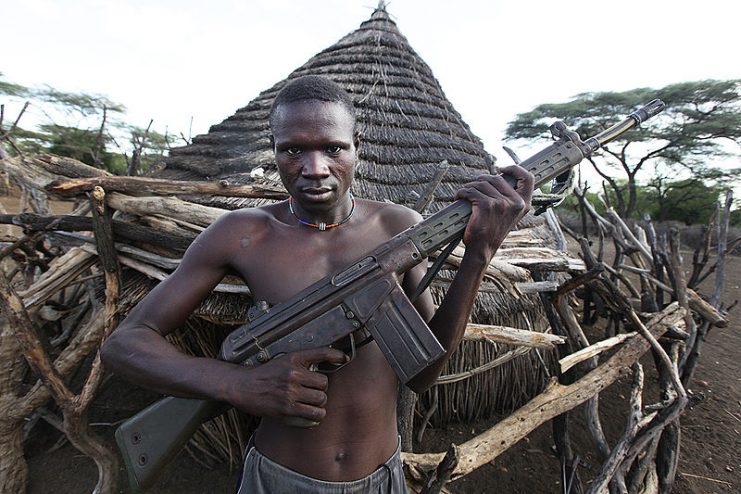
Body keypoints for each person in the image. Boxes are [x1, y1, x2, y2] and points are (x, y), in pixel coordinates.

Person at [101, 75, 534, 493]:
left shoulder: (398, 226)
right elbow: (124, 344)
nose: (314, 168)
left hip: (383, 477)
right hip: (280, 477)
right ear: (273, 151)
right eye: (293, 150)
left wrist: (479, 256)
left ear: (356, 148)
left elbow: (423, 375)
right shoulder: (243, 232)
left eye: (333, 148)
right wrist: (234, 384)